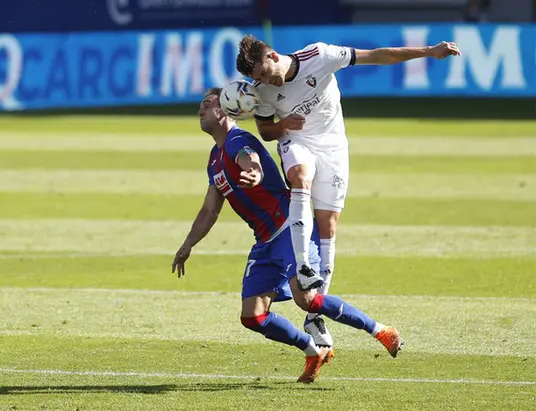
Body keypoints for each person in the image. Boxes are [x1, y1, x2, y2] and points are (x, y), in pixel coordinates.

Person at [235, 35, 460, 348]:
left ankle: (315, 313)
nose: (264, 81)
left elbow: (378, 55)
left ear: (272, 55)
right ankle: (303, 266)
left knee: (328, 225)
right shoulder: (262, 92)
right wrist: (284, 125)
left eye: (262, 72)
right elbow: (266, 131)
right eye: (257, 79)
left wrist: (429, 51)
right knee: (299, 177)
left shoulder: (320, 55)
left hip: (333, 147)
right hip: (298, 143)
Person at [171, 87, 403, 383]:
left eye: (207, 104)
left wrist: (254, 172)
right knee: (252, 317)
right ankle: (312, 351)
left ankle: (381, 330)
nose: (200, 110)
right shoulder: (215, 158)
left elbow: (249, 158)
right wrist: (188, 244)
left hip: (289, 228)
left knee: (306, 299)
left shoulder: (238, 140)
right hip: (265, 240)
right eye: (200, 105)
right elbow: (209, 210)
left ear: (227, 108)